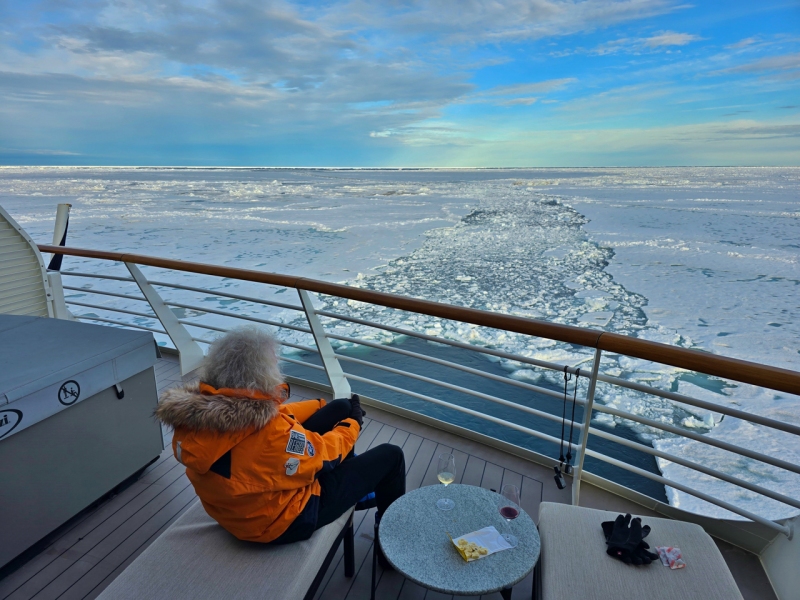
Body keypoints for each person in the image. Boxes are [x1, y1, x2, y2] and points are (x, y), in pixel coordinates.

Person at [155, 326, 405, 566]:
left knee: (338, 407)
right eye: (273, 362)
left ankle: (353, 490)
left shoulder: (201, 413)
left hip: (234, 509)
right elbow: (320, 457)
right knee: (391, 456)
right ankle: (390, 547)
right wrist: (352, 424)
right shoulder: (271, 434)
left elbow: (271, 418)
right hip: (280, 521)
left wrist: (320, 406)